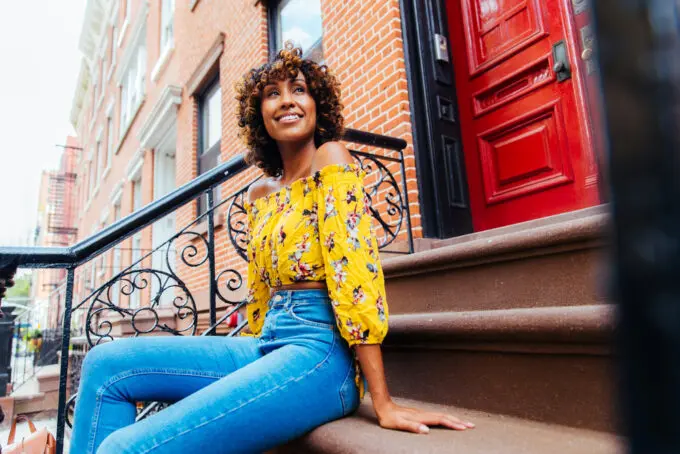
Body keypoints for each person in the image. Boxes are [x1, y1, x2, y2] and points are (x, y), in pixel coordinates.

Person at [69, 43, 474, 454]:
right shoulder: (261, 192)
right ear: (259, 114)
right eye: (272, 94)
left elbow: (354, 274)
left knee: (123, 448)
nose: (287, 102)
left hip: (320, 354)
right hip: (268, 342)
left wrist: (382, 400)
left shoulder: (332, 159)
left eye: (298, 89)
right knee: (104, 366)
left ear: (318, 103)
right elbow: (260, 290)